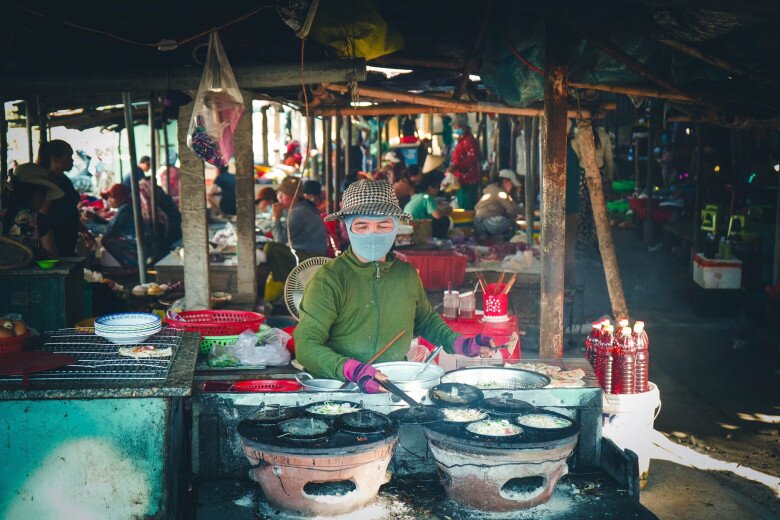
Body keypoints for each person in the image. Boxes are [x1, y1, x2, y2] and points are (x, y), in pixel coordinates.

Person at [294, 179, 497, 391]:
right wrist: (352, 370)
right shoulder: (329, 280)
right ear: (347, 227)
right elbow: (306, 346)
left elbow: (426, 321)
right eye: (362, 226)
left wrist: (463, 345)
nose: (372, 233)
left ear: (396, 227)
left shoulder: (406, 275)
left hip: (393, 386)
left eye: (383, 225)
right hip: (339, 390)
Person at [264, 176, 328, 294]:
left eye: (282, 194)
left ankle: (286, 288)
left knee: (272, 248)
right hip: (314, 255)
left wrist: (276, 218)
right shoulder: (303, 207)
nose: (279, 198)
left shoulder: (298, 213)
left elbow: (279, 240)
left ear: (292, 196)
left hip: (310, 258)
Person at [2, 163, 63, 258]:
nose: (45, 199)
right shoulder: (39, 221)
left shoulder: (3, 214)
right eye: (44, 194)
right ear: (35, 194)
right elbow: (53, 256)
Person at [37, 140, 81, 257]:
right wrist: (52, 250)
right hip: (55, 239)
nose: (72, 160)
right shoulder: (48, 181)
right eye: (69, 156)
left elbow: (70, 209)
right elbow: (42, 217)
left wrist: (84, 230)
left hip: (67, 237)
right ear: (56, 159)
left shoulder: (64, 180)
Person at [82, 184, 138, 267]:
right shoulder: (126, 207)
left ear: (121, 198)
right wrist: (94, 218)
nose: (109, 200)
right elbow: (111, 225)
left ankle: (131, 266)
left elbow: (109, 229)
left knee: (107, 240)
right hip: (133, 241)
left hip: (134, 243)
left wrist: (88, 224)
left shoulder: (125, 208)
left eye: (111, 197)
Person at [474, 169, 521, 242]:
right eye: (512, 184)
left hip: (478, 223)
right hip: (491, 223)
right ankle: (500, 237)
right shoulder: (500, 192)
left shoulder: (490, 189)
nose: (512, 187)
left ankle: (486, 236)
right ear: (505, 181)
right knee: (512, 219)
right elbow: (512, 208)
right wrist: (528, 213)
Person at [403, 170, 451, 239]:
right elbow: (437, 216)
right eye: (437, 187)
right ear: (430, 188)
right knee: (445, 220)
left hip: (408, 223)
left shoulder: (418, 196)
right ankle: (439, 239)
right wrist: (446, 210)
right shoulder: (427, 197)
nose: (438, 190)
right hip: (417, 225)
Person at [451, 114, 481, 210]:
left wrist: (455, 166)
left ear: (461, 126)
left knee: (466, 207)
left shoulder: (469, 140)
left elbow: (472, 159)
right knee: (462, 205)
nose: (454, 128)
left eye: (455, 126)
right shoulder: (461, 140)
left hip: (468, 180)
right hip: (462, 180)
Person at [565, 128, 582, 286]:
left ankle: (568, 286)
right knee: (566, 249)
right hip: (569, 208)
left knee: (567, 250)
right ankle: (566, 285)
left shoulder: (567, 157)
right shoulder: (570, 155)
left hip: (568, 209)